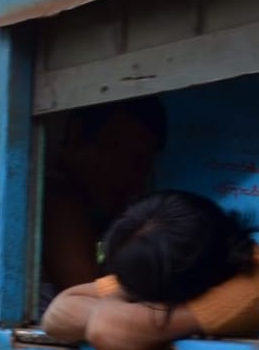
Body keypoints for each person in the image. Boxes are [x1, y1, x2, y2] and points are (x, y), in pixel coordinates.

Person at [42, 190, 259, 350]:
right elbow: (57, 315)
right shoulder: (192, 258)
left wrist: (125, 308)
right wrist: (130, 305)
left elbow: (106, 330)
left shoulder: (251, 290)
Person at [42, 98, 170, 292]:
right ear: (77, 141)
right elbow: (91, 294)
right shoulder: (59, 199)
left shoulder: (89, 208)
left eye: (143, 165)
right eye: (118, 154)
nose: (132, 177)